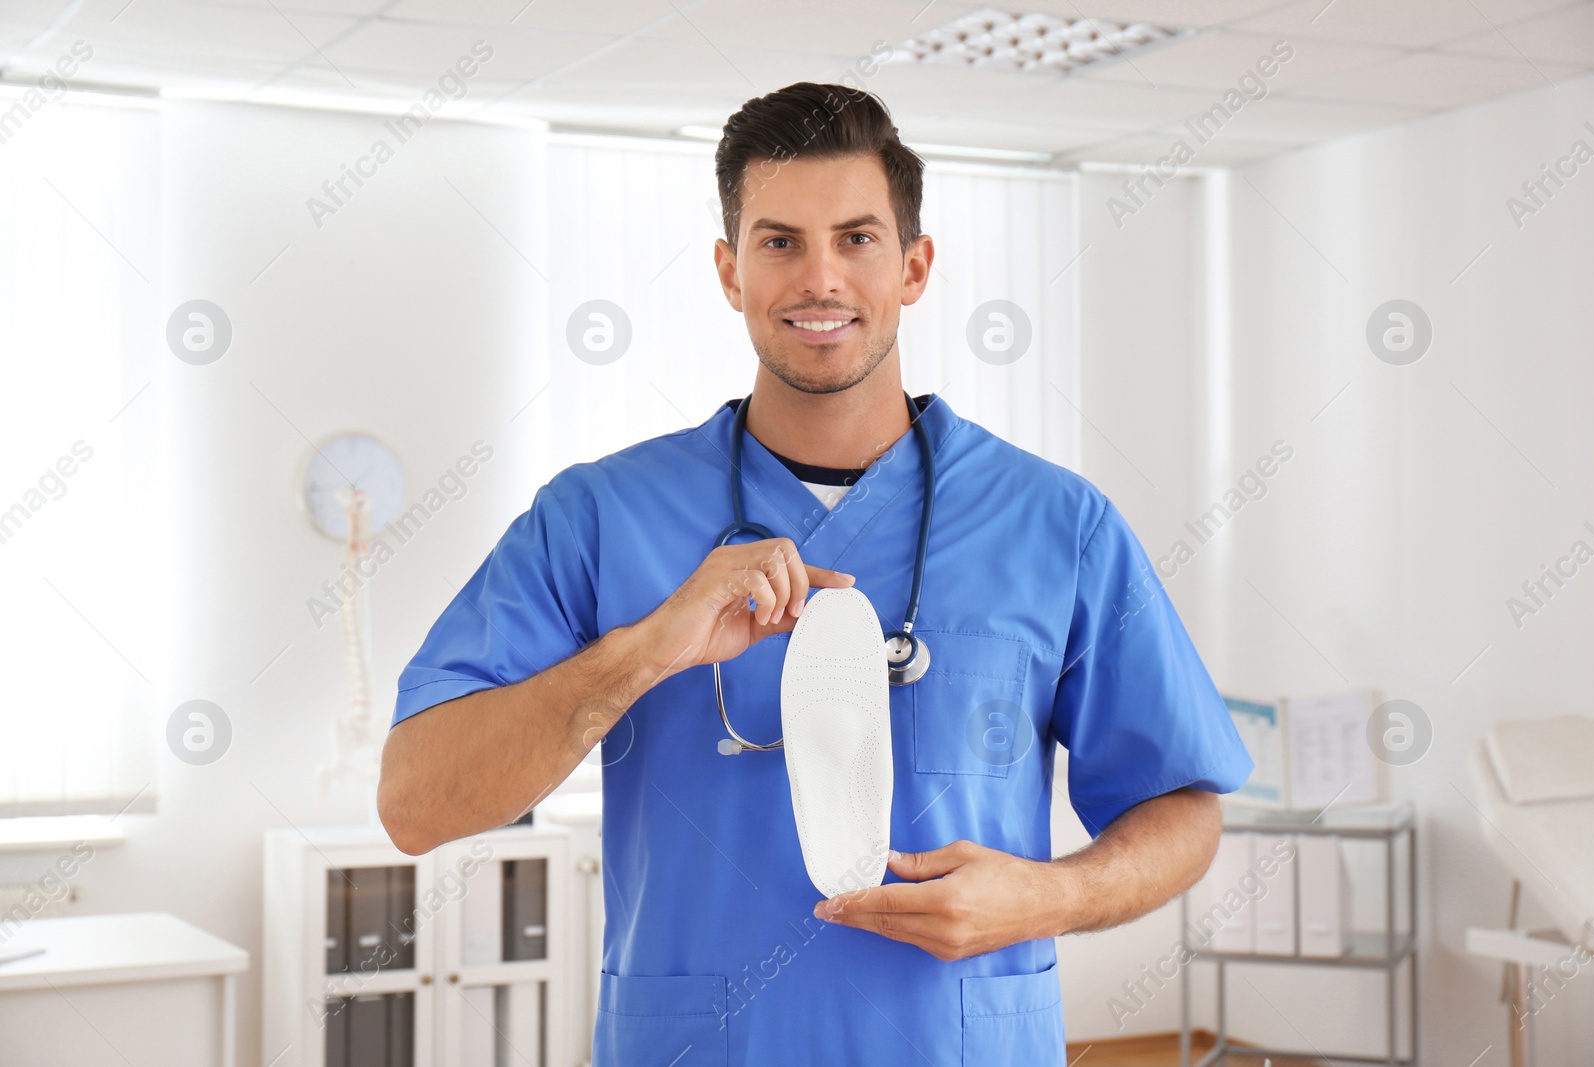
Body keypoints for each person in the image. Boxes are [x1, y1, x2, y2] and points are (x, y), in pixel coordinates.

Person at [378, 81, 1252, 1066]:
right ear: (728, 269)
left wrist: (1047, 895)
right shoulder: (596, 517)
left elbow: (1182, 806)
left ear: (915, 266)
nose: (818, 277)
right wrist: (642, 650)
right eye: (779, 241)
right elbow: (418, 801)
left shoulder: (1057, 523)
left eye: (858, 238)